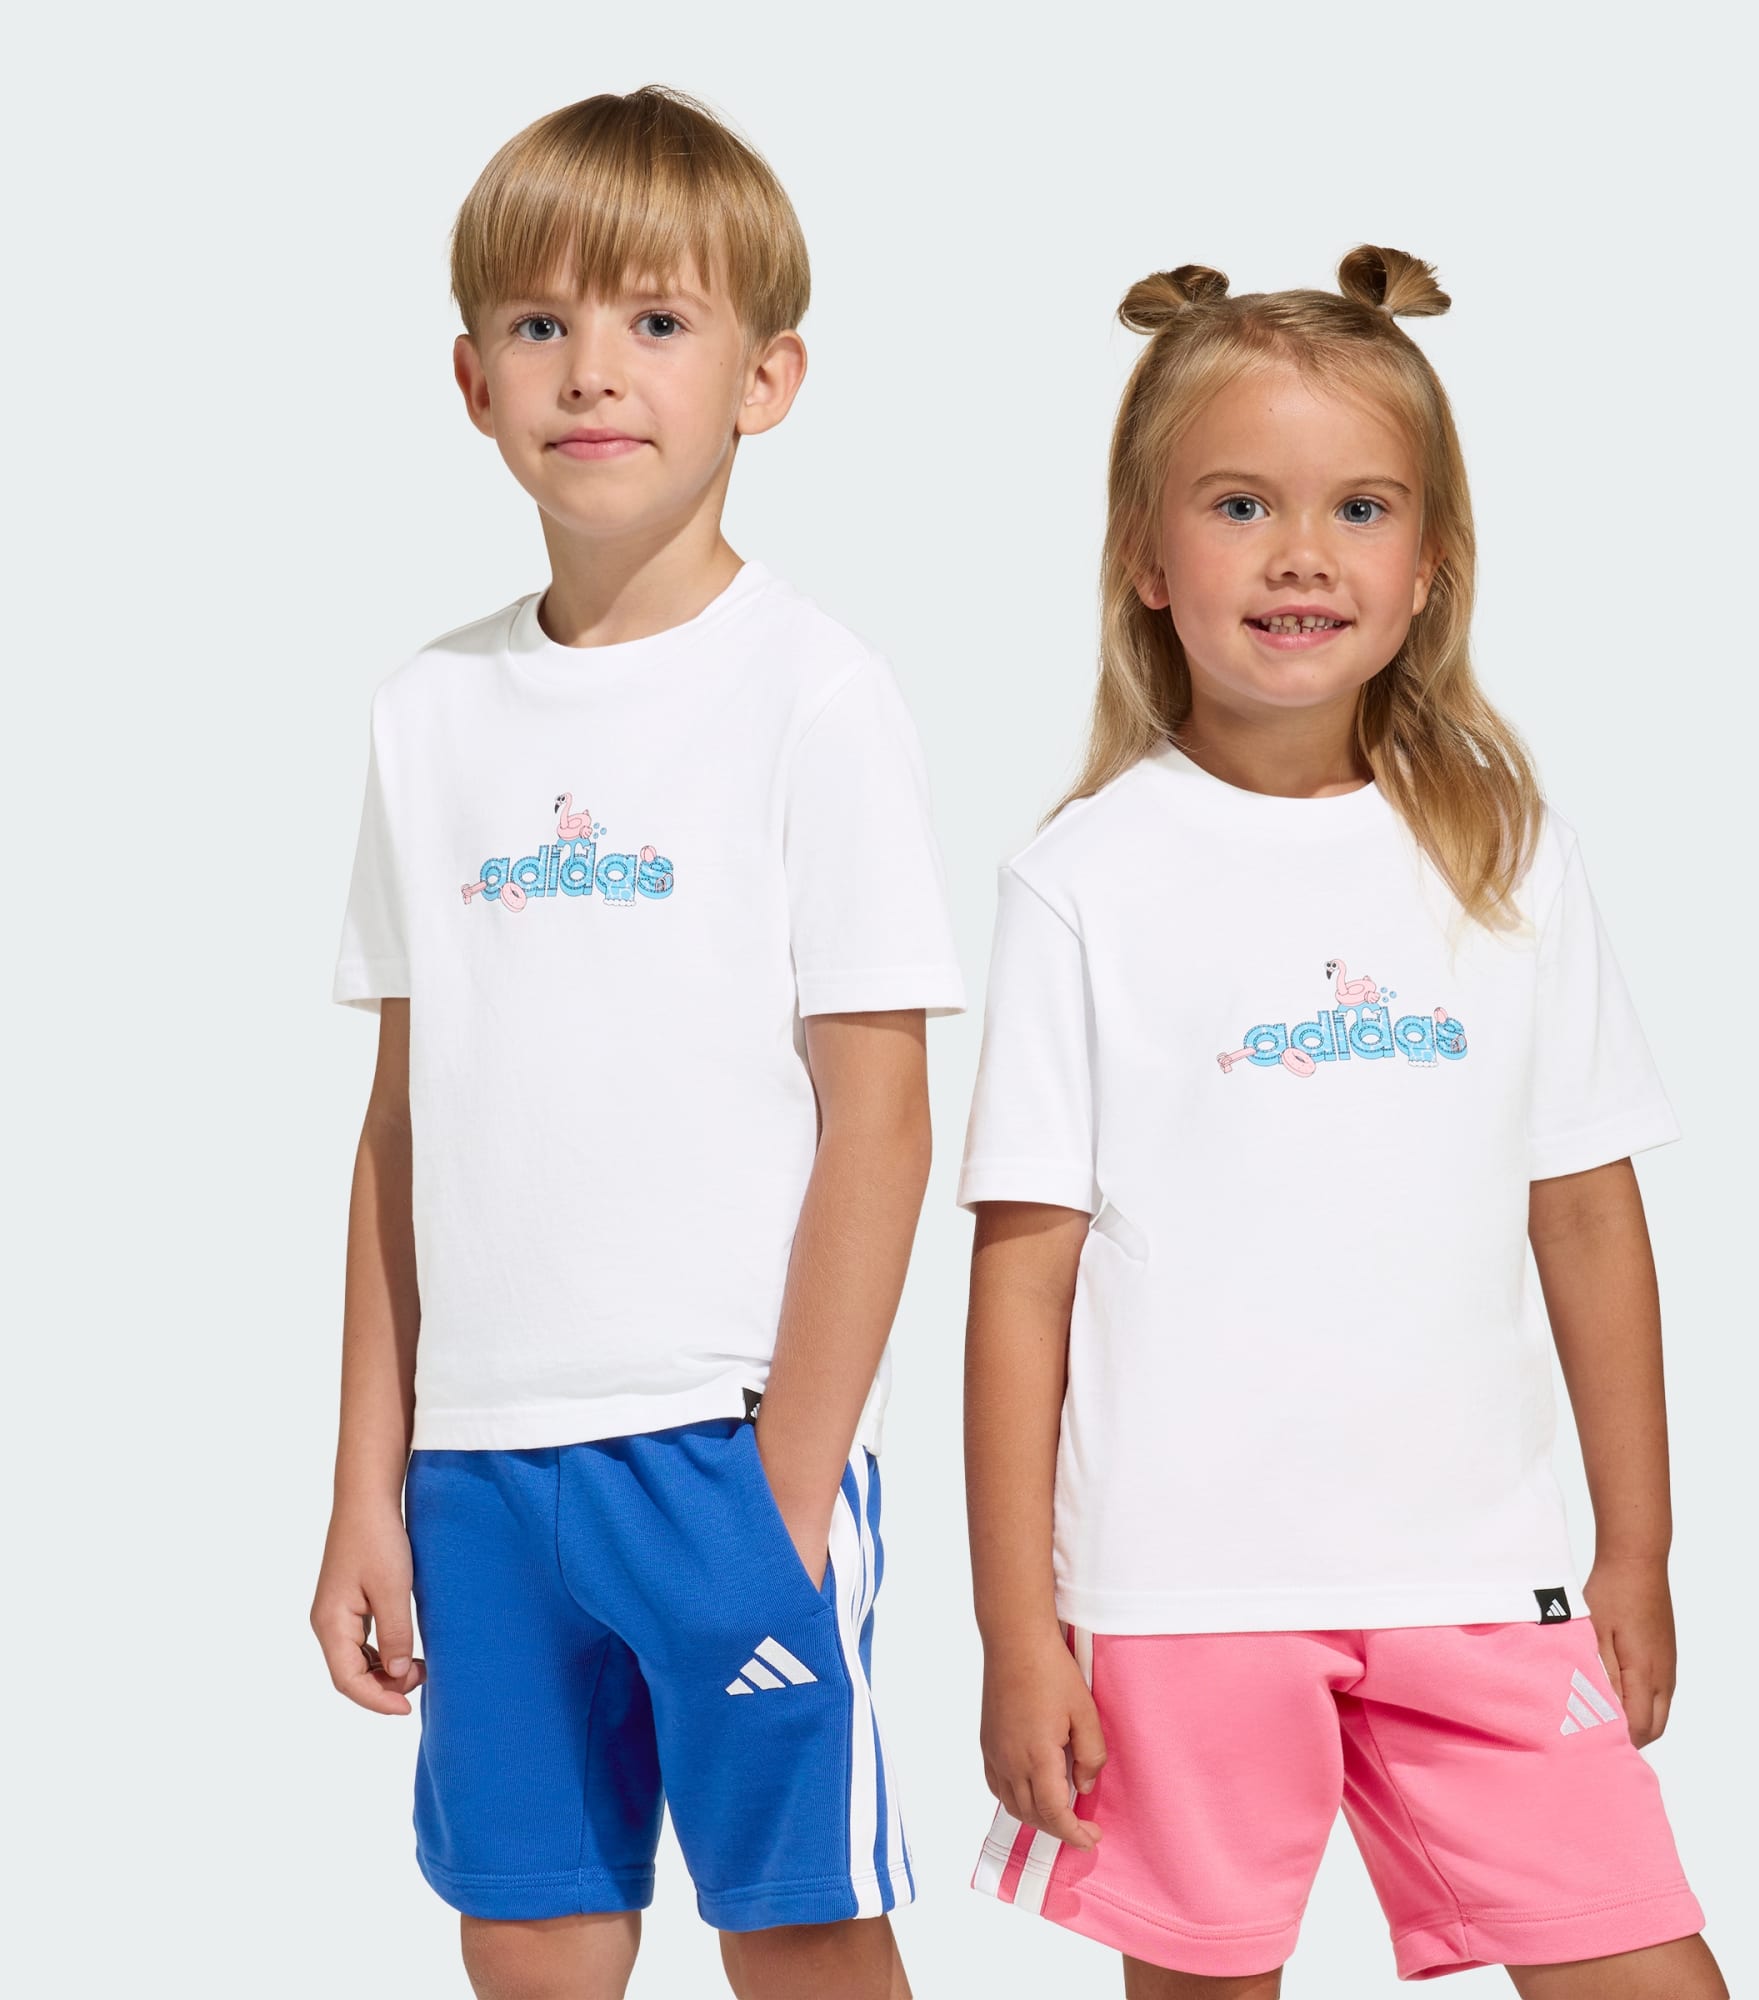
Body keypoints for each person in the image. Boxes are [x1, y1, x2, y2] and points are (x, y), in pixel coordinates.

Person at [960, 249, 1726, 1997]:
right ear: (1148, 556)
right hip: (1180, 1597)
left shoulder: (1507, 854)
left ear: (1429, 561)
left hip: (1481, 1576)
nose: (1301, 554)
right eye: (1241, 504)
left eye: (1359, 508)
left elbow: (1586, 1214)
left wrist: (1638, 1547)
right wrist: (1018, 1633)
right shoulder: (1083, 881)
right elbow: (1022, 1283)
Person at [309, 86, 960, 2000]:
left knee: (802, 1927)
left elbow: (882, 1121)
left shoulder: (817, 696)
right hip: (478, 1467)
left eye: (656, 321)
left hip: (721, 1443)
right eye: (541, 323)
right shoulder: (428, 713)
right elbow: (400, 1127)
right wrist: (367, 1482)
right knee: (527, 1921)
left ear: (767, 377)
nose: (593, 369)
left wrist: (789, 1495)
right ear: (471, 379)